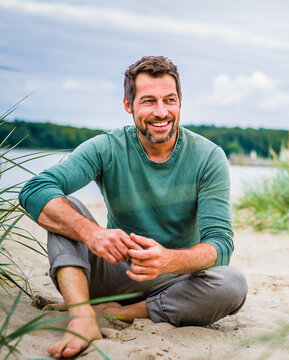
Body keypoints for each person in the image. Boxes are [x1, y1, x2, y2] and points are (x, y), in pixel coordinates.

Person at [19, 56, 248, 359]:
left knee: (233, 284)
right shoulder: (107, 147)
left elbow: (220, 245)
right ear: (128, 104)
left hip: (174, 282)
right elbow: (34, 190)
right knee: (66, 207)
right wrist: (92, 234)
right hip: (113, 271)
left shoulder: (208, 156)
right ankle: (82, 315)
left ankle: (124, 312)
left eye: (170, 100)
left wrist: (167, 260)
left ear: (180, 102)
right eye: (148, 101)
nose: (161, 112)